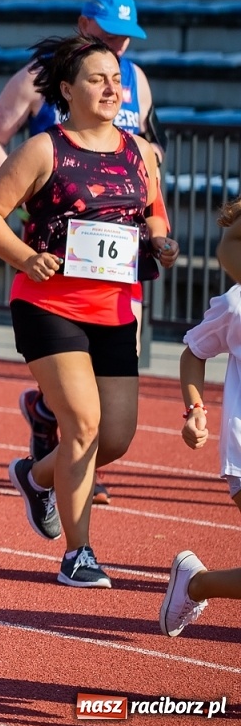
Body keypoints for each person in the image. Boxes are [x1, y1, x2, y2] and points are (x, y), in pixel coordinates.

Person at [0, 34, 177, 587]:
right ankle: (78, 554)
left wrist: (160, 241)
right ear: (68, 89)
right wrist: (25, 256)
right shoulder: (45, 150)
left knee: (116, 437)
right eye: (96, 78)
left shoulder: (137, 151)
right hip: (48, 304)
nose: (111, 88)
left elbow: (154, 213)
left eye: (116, 79)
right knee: (82, 425)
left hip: (114, 307)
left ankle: (36, 478)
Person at [0, 0, 154, 504]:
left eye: (125, 38)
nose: (117, 46)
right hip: (59, 244)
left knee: (121, 367)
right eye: (107, 36)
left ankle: (55, 430)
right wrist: (23, 189)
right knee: (84, 403)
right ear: (83, 26)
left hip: (117, 252)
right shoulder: (38, 77)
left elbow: (143, 146)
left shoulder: (135, 81)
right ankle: (73, 451)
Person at [159, 198, 241, 636]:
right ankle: (195, 584)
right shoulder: (236, 306)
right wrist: (195, 412)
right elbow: (194, 353)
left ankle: (195, 583)